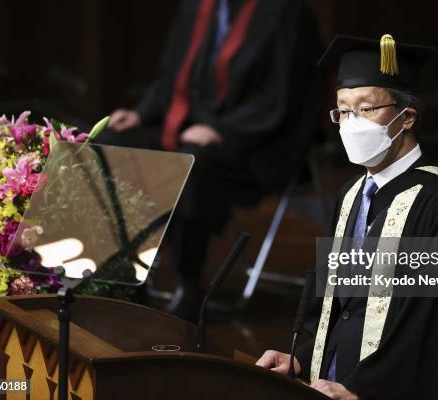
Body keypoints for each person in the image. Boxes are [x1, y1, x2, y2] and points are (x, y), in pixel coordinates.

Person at [256, 34, 438, 399]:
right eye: (343, 110)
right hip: (330, 383)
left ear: (406, 117)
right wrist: (302, 357)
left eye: (366, 108)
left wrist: (362, 388)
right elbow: (340, 300)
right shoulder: (350, 195)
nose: (352, 122)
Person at [97, 0, 321, 320]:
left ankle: (188, 285)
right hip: (188, 126)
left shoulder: (287, 12)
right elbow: (169, 77)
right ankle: (126, 274)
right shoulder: (200, 6)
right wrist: (141, 113)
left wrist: (222, 130)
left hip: (254, 141)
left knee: (192, 163)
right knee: (112, 144)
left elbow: (284, 96)